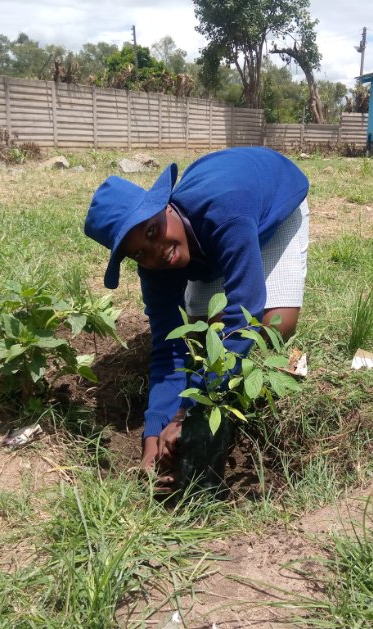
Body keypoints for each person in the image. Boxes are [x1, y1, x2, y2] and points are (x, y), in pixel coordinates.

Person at [84, 147, 310, 488]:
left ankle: (219, 405)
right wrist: (152, 439)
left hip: (271, 204)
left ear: (165, 206)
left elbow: (243, 308)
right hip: (210, 229)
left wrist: (190, 412)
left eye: (151, 232)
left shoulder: (225, 211)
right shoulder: (155, 262)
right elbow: (167, 348)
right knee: (199, 340)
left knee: (272, 325)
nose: (156, 251)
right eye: (139, 253)